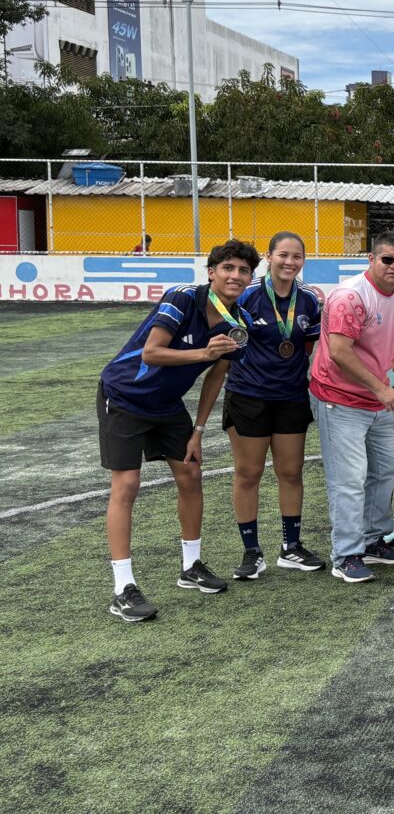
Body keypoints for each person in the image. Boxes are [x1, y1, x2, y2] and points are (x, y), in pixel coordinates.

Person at [99, 240, 257, 621]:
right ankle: (122, 589)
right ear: (212, 272)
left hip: (167, 405)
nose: (235, 276)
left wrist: (198, 430)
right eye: (228, 268)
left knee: (190, 475)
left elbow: (217, 375)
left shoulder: (240, 323)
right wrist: (203, 353)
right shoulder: (183, 298)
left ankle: (191, 566)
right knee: (127, 485)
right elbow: (152, 353)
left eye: (244, 271)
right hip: (125, 396)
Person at [309, 231, 394, 584]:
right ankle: (345, 555)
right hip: (340, 399)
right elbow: (340, 352)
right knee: (349, 479)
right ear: (371, 258)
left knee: (385, 472)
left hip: (378, 401)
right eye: (387, 259)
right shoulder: (350, 296)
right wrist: (382, 389)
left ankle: (372, 541)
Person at [224, 232, 326, 580]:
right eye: (283, 255)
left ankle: (291, 547)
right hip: (248, 396)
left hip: (291, 397)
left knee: (291, 472)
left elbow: (307, 347)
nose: (289, 262)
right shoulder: (248, 294)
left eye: (297, 256)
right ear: (269, 257)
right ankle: (251, 552)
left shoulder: (308, 299)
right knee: (248, 473)